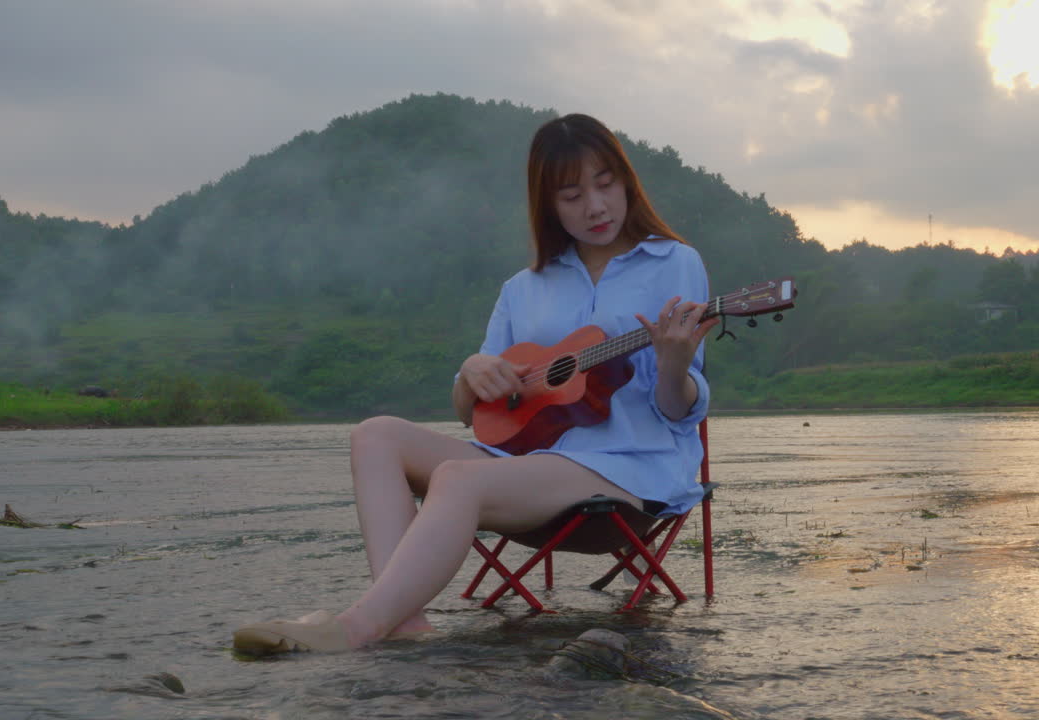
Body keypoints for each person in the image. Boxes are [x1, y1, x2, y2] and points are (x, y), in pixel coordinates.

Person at [232, 113, 718, 654]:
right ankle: (406, 624)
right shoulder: (523, 287)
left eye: (605, 185)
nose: (596, 206)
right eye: (573, 195)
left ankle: (355, 628)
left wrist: (674, 365)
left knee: (457, 478)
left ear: (627, 182)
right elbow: (475, 414)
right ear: (549, 205)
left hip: (629, 472)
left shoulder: (674, 261)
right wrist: (471, 371)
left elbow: (678, 410)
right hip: (524, 471)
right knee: (375, 435)